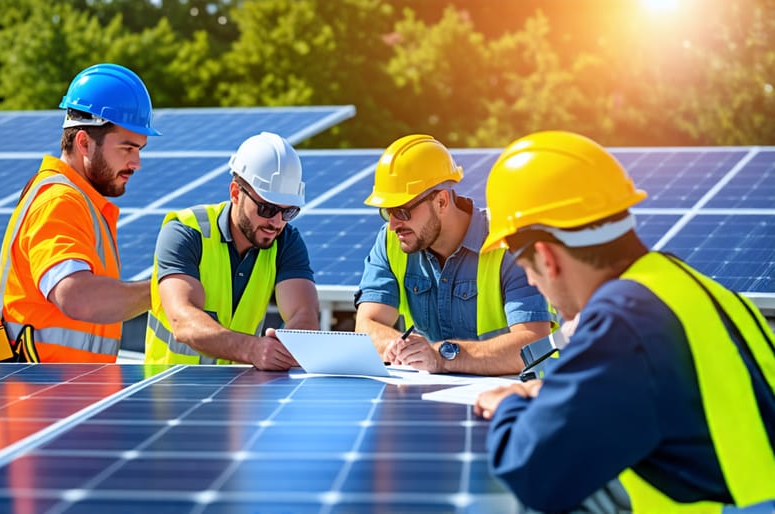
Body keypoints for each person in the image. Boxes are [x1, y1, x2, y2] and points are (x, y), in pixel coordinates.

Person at [474, 130, 775, 512]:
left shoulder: (623, 320)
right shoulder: (694, 288)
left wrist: (509, 404)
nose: (531, 282)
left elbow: (532, 471)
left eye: (524, 267)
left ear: (547, 258)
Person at [0, 63, 160, 363]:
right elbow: (75, 296)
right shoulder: (60, 200)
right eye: (127, 148)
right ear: (84, 142)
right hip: (40, 402)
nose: (137, 163)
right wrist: (162, 291)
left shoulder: (80, 202)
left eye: (140, 149)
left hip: (61, 398)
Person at [354, 134, 555, 375]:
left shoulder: (506, 241)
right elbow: (367, 326)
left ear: (441, 201)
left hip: (513, 398)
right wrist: (401, 349)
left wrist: (442, 357)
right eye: (387, 212)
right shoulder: (391, 241)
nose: (395, 224)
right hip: (430, 397)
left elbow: (534, 343)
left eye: (402, 211)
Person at [144, 132, 320, 370]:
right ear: (236, 193)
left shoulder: (286, 241)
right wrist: (253, 349)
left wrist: (285, 346)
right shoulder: (184, 232)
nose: (277, 222)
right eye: (267, 209)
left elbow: (304, 313)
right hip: (169, 391)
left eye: (289, 212)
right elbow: (182, 320)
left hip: (238, 397)